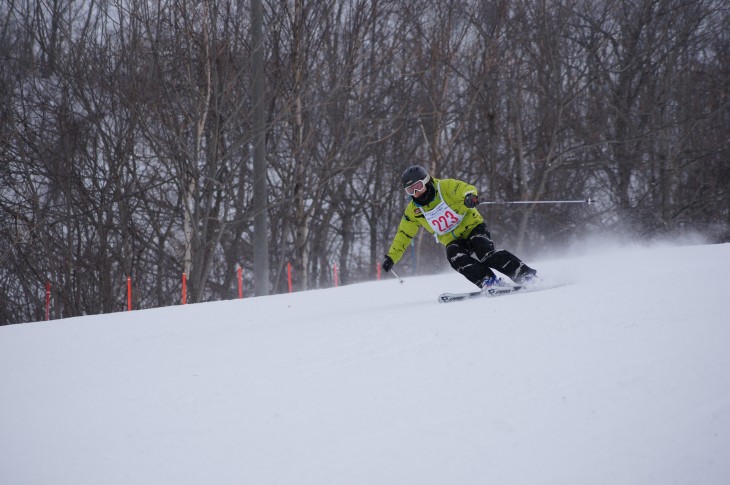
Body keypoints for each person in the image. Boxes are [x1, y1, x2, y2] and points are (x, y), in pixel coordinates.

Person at [382, 165, 537, 289]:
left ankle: (524, 274)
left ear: (426, 181)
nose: (415, 193)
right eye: (410, 190)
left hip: (472, 226)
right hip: (452, 238)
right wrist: (392, 257)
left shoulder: (445, 187)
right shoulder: (413, 210)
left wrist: (469, 197)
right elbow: (404, 234)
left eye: (417, 186)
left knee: (485, 253)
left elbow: (464, 189)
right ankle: (488, 281)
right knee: (455, 256)